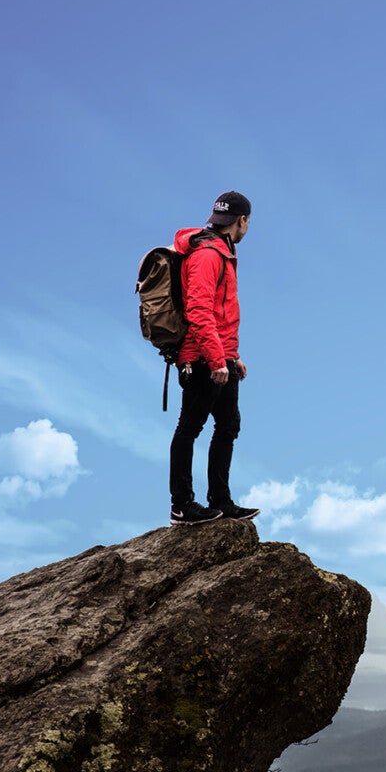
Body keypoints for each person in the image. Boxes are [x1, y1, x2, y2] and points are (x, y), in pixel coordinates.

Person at [168, 191, 261, 526]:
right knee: (189, 428)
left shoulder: (222, 250)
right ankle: (181, 505)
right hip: (201, 358)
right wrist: (216, 359)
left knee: (228, 427)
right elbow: (198, 310)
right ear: (243, 221)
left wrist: (232, 357)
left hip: (221, 356)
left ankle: (220, 501)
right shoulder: (208, 254)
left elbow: (221, 313)